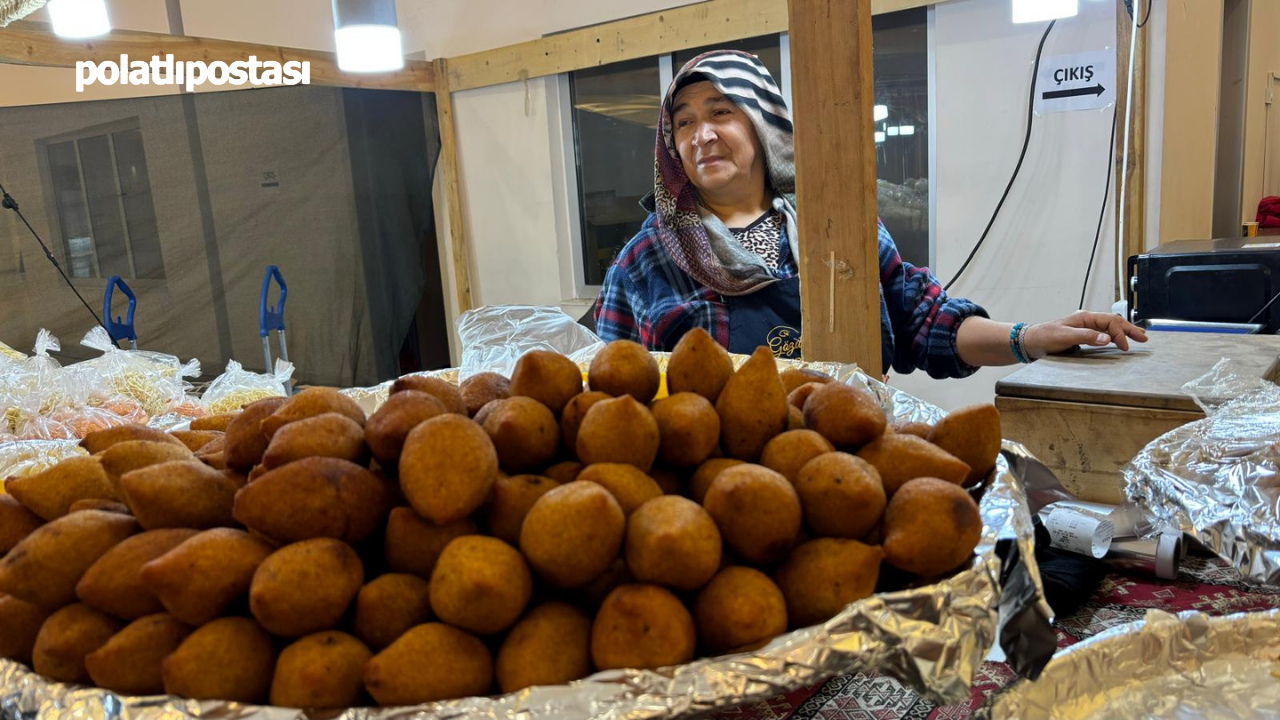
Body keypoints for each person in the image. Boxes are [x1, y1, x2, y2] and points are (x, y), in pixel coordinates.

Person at [594, 51, 1147, 378]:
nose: (702, 134)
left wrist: (1031, 336)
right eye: (684, 122)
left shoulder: (836, 229)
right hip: (723, 501)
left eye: (721, 112)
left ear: (763, 125)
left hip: (846, 474)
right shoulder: (645, 261)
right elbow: (609, 394)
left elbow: (924, 324)